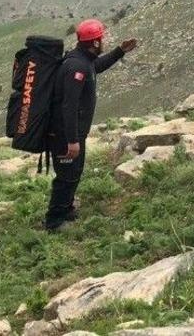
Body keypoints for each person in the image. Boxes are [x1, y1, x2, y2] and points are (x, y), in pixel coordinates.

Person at [45, 19, 137, 232]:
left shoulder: (83, 60)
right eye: (101, 39)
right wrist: (72, 140)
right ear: (95, 43)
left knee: (73, 172)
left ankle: (66, 209)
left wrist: (119, 51)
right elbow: (69, 106)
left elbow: (96, 67)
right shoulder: (76, 66)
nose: (103, 41)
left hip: (73, 133)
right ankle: (54, 221)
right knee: (66, 176)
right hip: (64, 135)